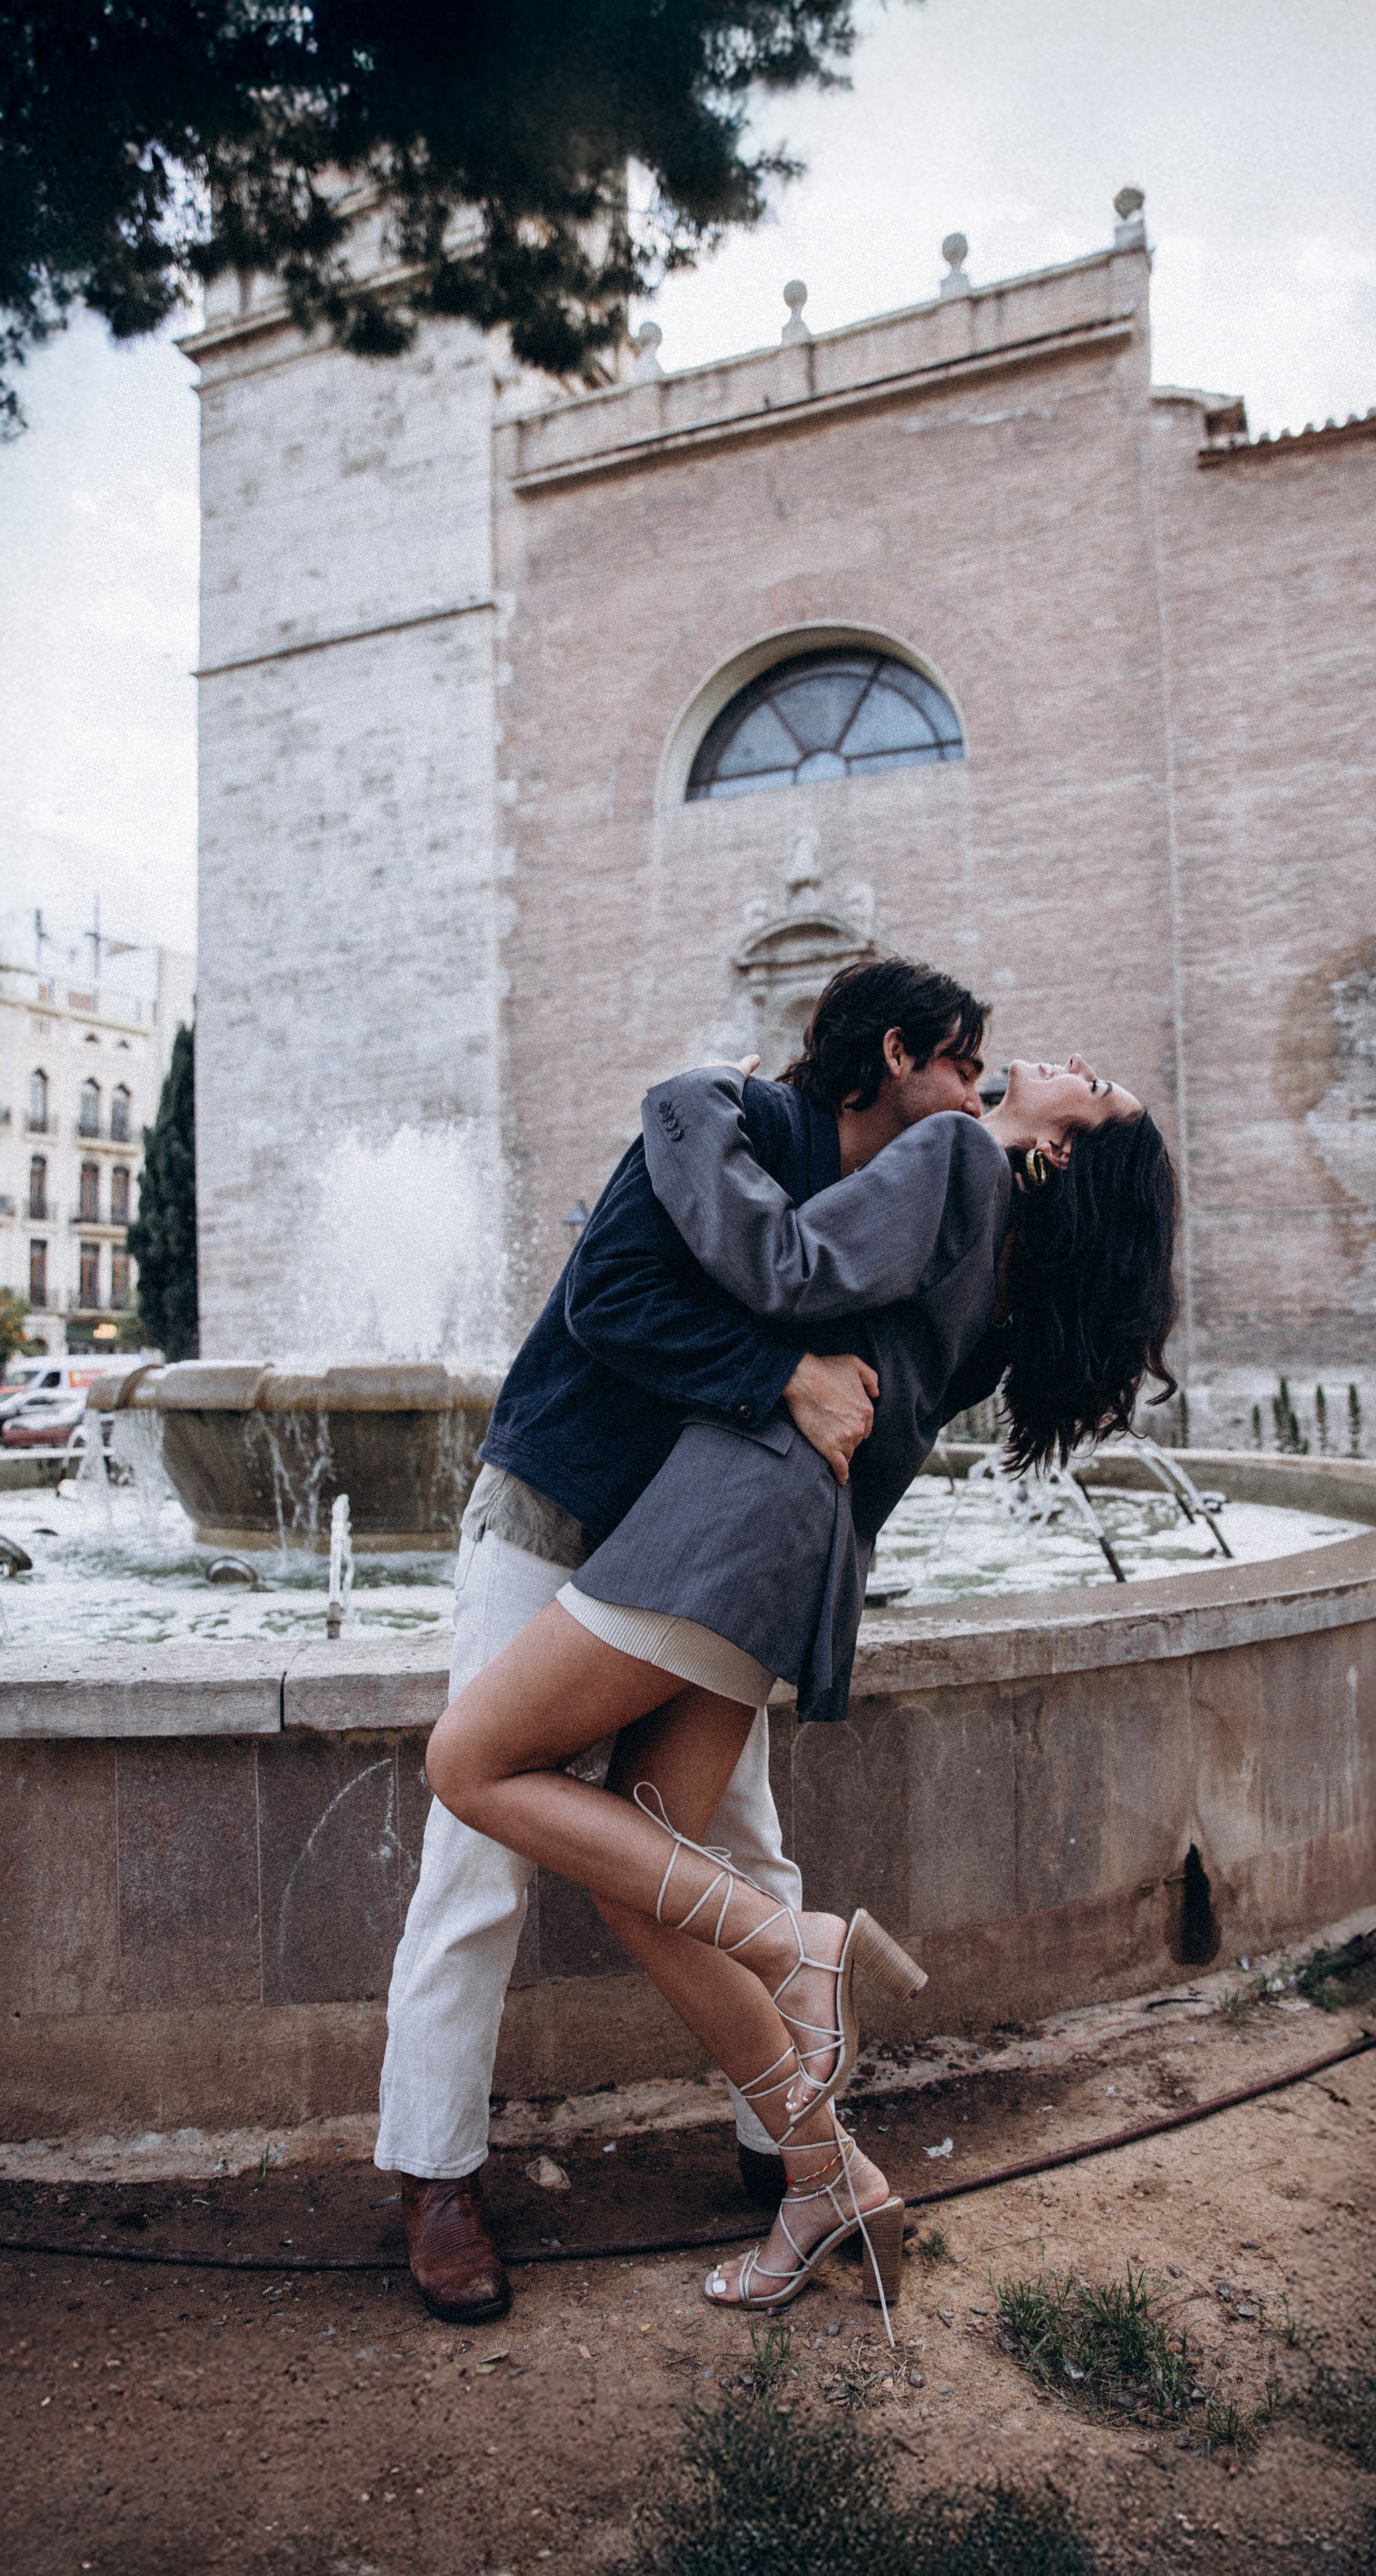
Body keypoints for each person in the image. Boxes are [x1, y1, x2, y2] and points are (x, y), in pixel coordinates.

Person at [425, 1048, 1177, 2327]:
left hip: (729, 1517)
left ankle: (804, 1943)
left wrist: (688, 1100)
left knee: (471, 1763)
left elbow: (782, 1266)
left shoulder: (953, 1159)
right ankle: (832, 2178)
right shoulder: (1006, 1294)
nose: (1061, 1060)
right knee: (649, 1880)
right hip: (800, 1555)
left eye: (1091, 1086)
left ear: (1056, 1151)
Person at [376, 959, 995, 2324]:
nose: (974, 1096)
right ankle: (434, 2175)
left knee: (737, 1842)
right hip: (556, 1509)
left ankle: (785, 2142)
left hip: (691, 1548)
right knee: (476, 1856)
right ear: (894, 1054)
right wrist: (774, 1369)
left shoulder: (864, 1206)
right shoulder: (722, 1122)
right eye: (961, 1068)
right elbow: (609, 1302)